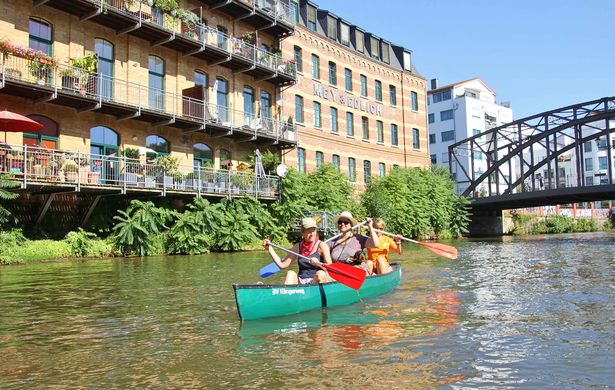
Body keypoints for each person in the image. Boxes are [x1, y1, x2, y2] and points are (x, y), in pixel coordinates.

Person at [263, 217, 332, 285]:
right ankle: (287, 294)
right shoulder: (297, 246)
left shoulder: (322, 245)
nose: (312, 234)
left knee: (321, 274)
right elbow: (282, 265)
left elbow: (331, 269)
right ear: (303, 232)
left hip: (316, 281)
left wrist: (318, 263)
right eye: (309, 232)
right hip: (301, 281)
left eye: (313, 231)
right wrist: (270, 249)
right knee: (290, 273)